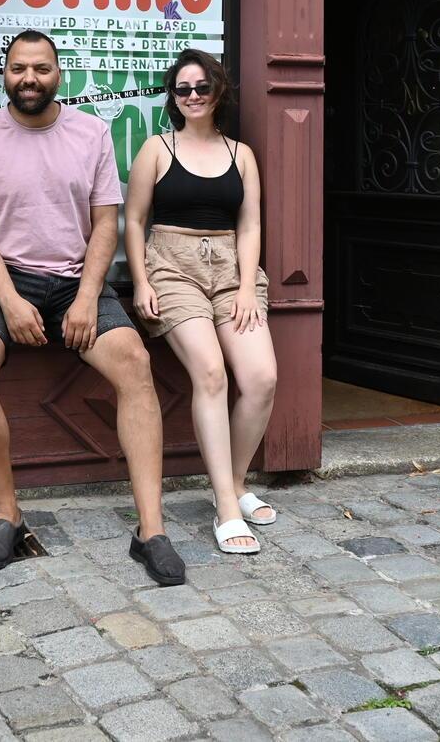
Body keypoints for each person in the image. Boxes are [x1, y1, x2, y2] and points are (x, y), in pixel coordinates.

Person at [0, 30, 187, 585]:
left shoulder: (91, 133)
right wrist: (9, 300)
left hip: (75, 282)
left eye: (40, 68)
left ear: (59, 74)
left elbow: (107, 223)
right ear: (4, 73)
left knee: (135, 363)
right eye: (18, 68)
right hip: (4, 280)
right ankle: (8, 515)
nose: (28, 79)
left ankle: (151, 530)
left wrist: (86, 296)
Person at [123, 48, 277, 554]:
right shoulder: (157, 149)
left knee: (261, 379)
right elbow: (135, 221)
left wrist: (246, 284)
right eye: (182, 89)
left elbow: (249, 225)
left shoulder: (241, 154)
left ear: (218, 91)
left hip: (231, 269)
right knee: (210, 373)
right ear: (173, 97)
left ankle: (234, 482)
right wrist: (141, 281)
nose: (192, 96)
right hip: (172, 267)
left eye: (201, 87)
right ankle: (227, 507)